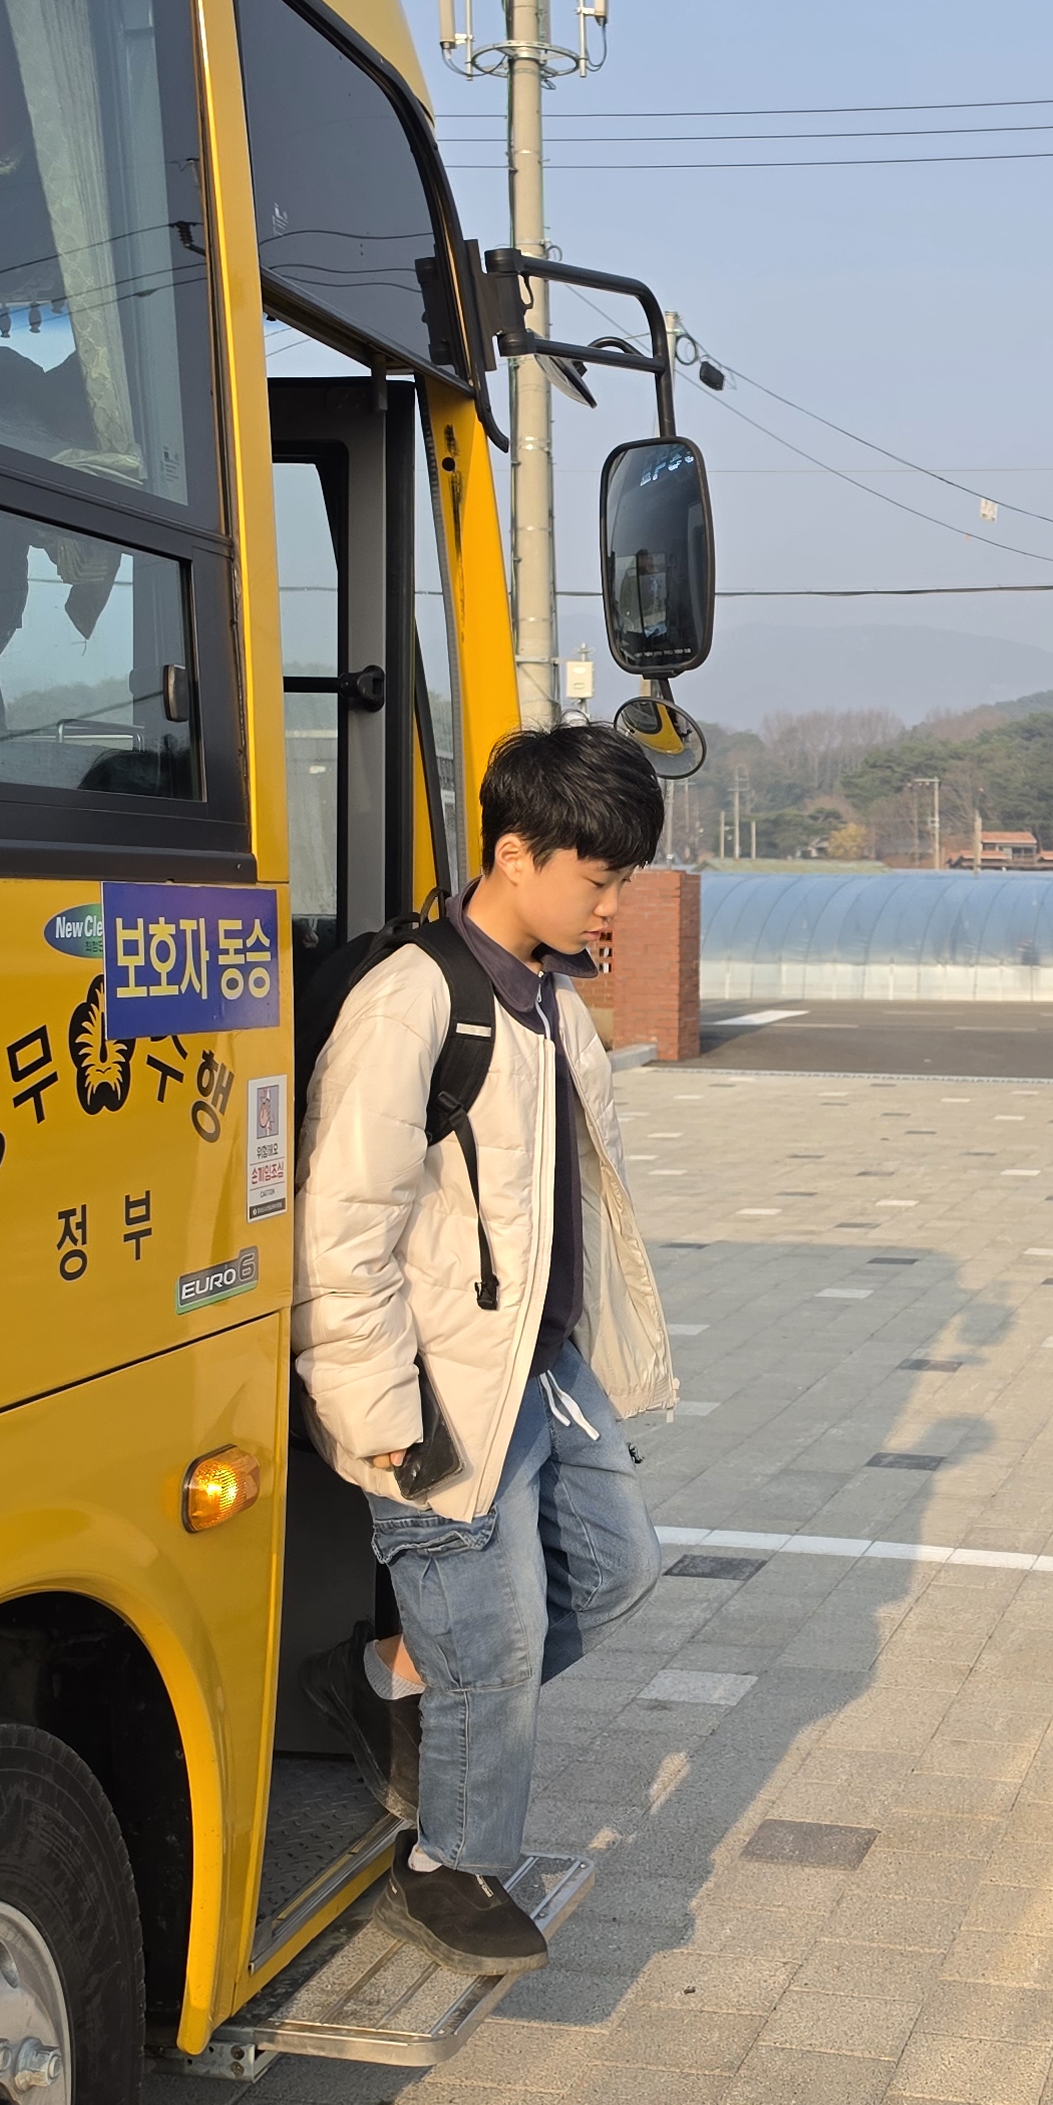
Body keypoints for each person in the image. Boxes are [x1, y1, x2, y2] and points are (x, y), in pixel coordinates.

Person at [292, 724, 680, 1975]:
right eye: (598, 877)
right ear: (515, 855)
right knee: (496, 1645)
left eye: (622, 881)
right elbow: (339, 1226)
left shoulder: (548, 1001)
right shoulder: (412, 1002)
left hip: (540, 1372)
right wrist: (374, 1405)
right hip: (441, 1391)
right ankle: (448, 1863)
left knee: (614, 1573)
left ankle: (399, 1669)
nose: (611, 905)